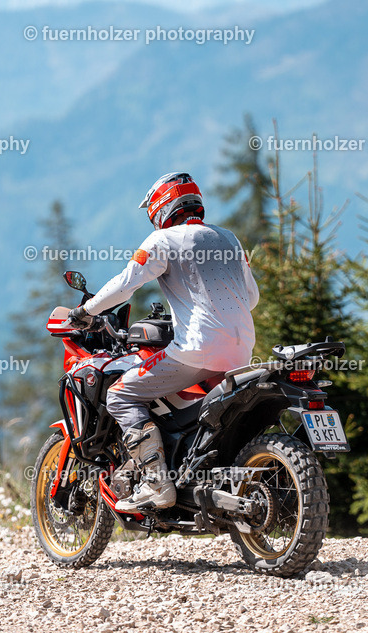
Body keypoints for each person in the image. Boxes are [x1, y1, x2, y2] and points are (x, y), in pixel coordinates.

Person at [67, 172, 259, 512]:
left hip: (198, 348)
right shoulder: (229, 239)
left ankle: (157, 484)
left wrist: (86, 309)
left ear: (162, 207)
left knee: (121, 395)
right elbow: (251, 297)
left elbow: (126, 285)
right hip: (242, 347)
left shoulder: (163, 241)